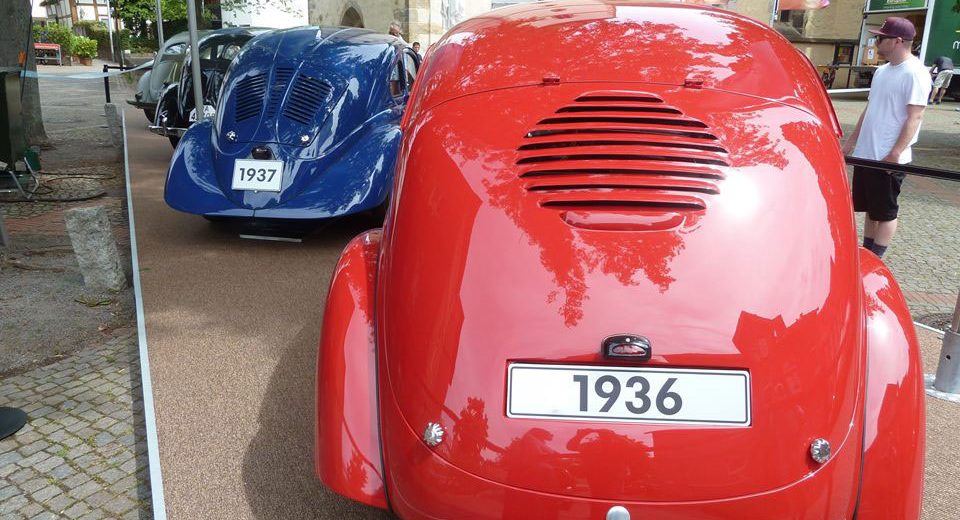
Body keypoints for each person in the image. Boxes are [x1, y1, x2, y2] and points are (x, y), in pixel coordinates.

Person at [841, 17, 930, 259]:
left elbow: (915, 116)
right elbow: (870, 109)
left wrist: (895, 153)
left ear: (897, 41)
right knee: (870, 210)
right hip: (867, 153)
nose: (876, 42)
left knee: (886, 213)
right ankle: (866, 254)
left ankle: (876, 259)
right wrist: (851, 143)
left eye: (881, 38)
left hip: (888, 157)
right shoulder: (881, 71)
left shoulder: (915, 73)